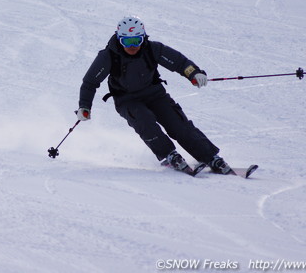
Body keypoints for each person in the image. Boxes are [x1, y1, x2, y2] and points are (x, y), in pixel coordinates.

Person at [76, 16, 232, 174]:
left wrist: (194, 73)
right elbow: (90, 83)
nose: (132, 46)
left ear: (143, 38)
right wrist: (84, 106)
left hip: (155, 95)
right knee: (145, 121)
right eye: (127, 42)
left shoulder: (152, 49)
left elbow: (178, 62)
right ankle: (169, 155)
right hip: (127, 100)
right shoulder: (108, 56)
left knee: (178, 124)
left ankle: (210, 157)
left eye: (136, 41)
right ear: (119, 38)